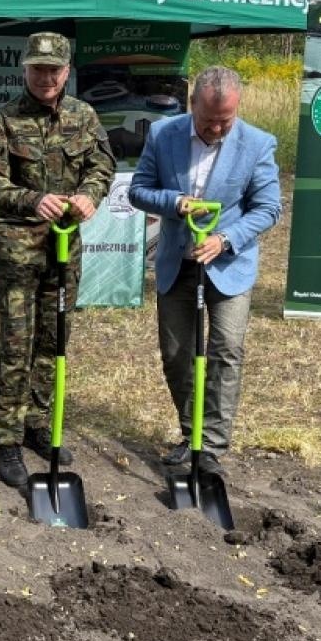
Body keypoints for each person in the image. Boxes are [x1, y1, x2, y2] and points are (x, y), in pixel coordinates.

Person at [0, 32, 115, 488]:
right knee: (16, 344)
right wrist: (34, 200)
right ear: (25, 70)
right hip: (19, 251)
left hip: (64, 248)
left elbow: (102, 166)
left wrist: (91, 196)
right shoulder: (4, 120)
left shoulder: (84, 117)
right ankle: (8, 440)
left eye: (54, 69)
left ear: (67, 71)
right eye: (38, 68)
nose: (46, 77)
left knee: (54, 341)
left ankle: (39, 423)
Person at [128, 66, 281, 475]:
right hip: (178, 261)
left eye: (225, 120)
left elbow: (268, 208)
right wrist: (173, 202)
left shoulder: (257, 144)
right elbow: (138, 189)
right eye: (209, 119)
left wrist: (225, 238)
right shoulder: (163, 135)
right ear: (191, 103)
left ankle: (210, 445)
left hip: (229, 264)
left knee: (226, 351)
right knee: (178, 353)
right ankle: (189, 432)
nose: (216, 128)